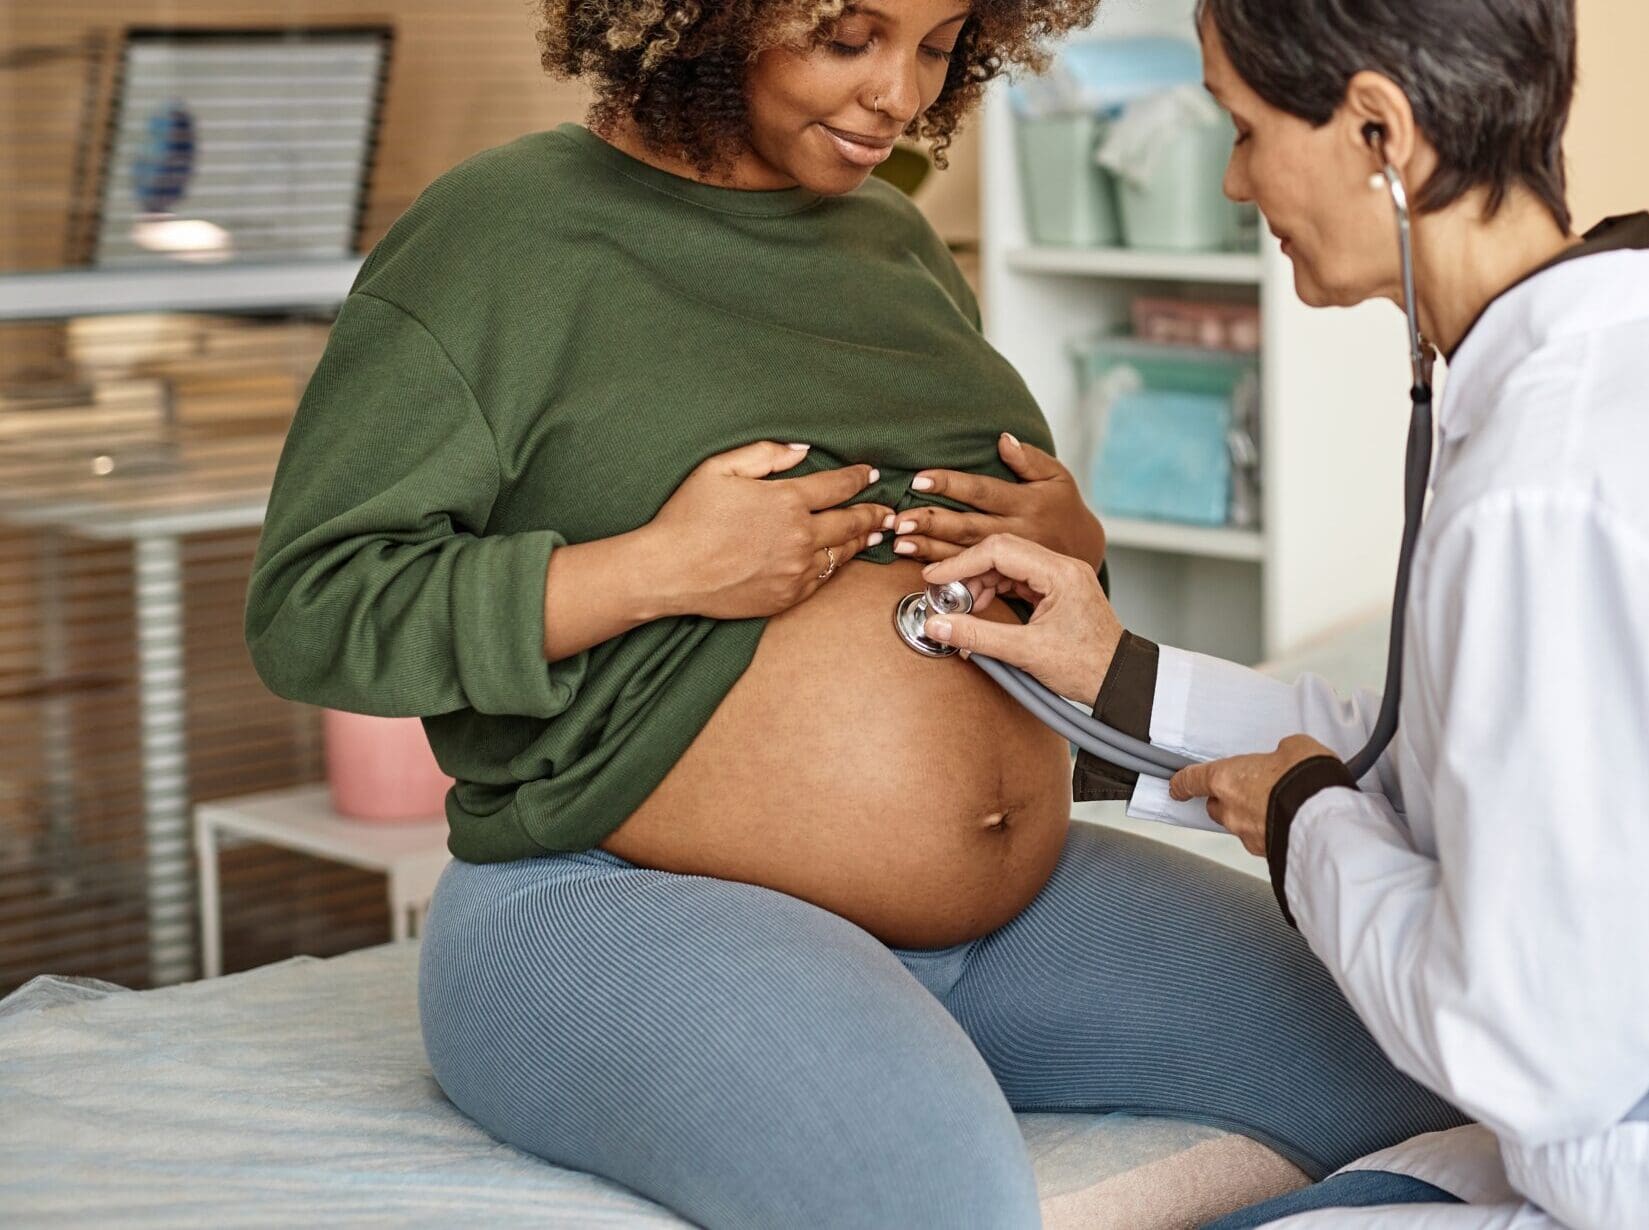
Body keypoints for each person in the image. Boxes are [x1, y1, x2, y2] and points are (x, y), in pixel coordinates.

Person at [243, 2, 1461, 1225]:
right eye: (848, 37)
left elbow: (976, 582)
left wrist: (1071, 550)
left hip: (1016, 918)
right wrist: (658, 569)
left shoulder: (893, 240)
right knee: (938, 1205)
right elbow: (312, 605)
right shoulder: (499, 236)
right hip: (614, 895)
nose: (900, 95)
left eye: (937, 45)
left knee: (1448, 1073)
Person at [917, 0, 1649, 1224]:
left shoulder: (1552, 489)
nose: (1232, 180)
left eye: (1246, 127)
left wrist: (1311, 825)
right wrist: (1116, 675)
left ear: (1379, 131)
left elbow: (1531, 1049)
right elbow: (1464, 762)